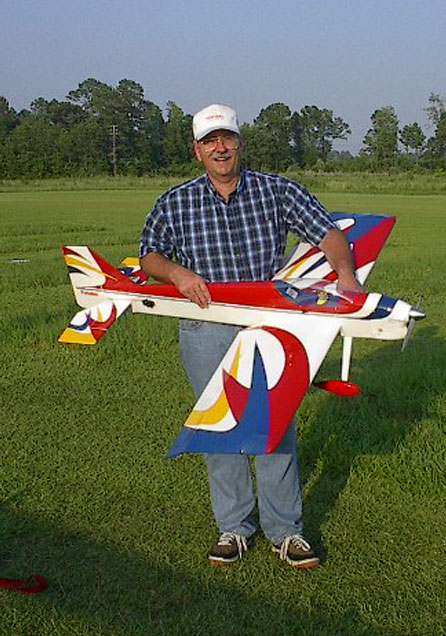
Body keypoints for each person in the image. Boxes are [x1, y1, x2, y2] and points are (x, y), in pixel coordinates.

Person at [140, 104, 361, 569]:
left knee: (275, 425)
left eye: (227, 138)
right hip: (205, 326)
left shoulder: (277, 191)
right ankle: (234, 527)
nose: (220, 148)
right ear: (197, 151)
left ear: (239, 143)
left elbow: (328, 234)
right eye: (210, 141)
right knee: (219, 425)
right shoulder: (175, 201)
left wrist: (347, 277)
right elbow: (149, 257)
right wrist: (178, 274)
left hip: (268, 327)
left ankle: (286, 530)